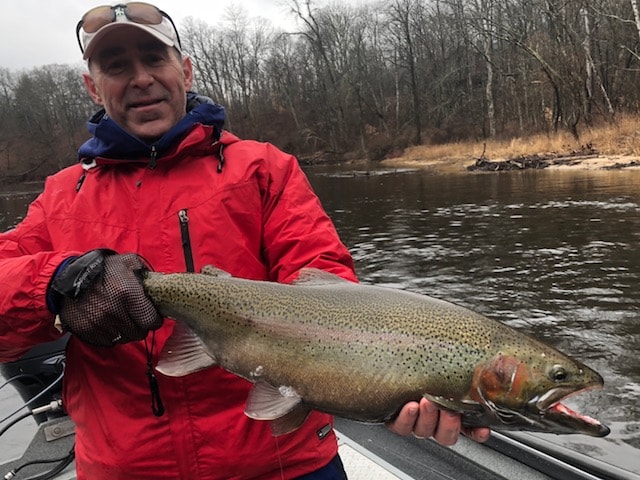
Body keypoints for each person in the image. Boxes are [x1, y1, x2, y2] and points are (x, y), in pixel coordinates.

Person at [0, 3, 490, 479]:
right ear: (92, 87)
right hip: (124, 468)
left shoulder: (264, 169)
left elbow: (328, 286)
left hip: (283, 463)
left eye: (153, 59)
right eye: (116, 66)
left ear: (185, 71)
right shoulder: (60, 196)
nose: (141, 78)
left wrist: (383, 384)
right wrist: (57, 281)